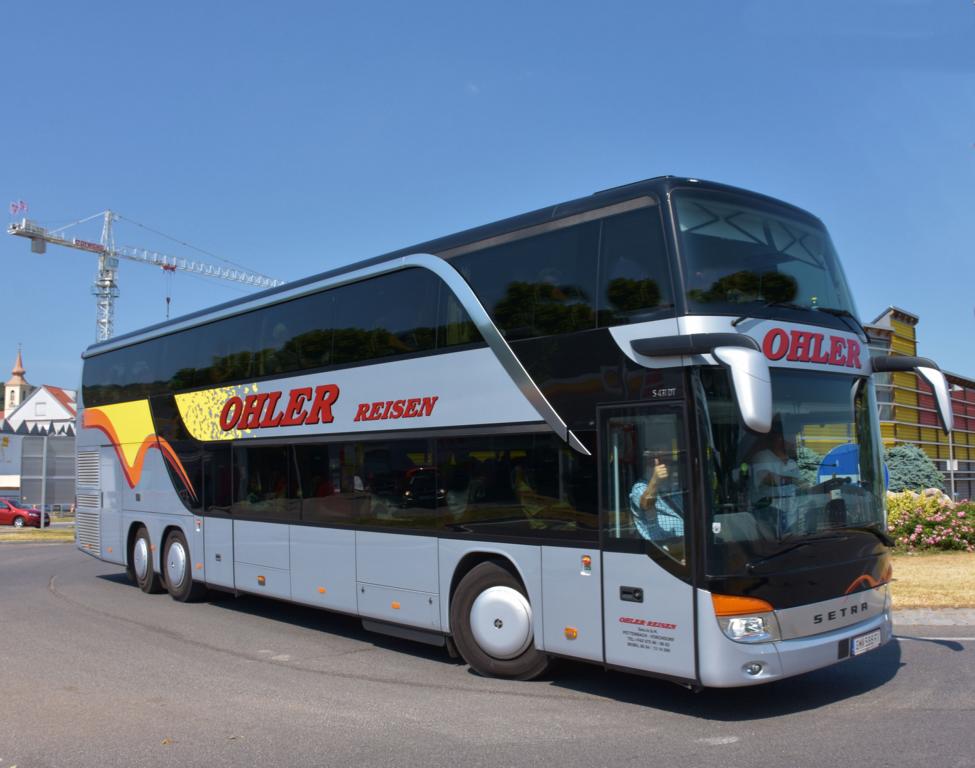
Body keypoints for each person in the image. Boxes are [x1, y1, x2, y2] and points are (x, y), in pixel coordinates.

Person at [629, 451, 685, 545]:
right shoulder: (640, 487)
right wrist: (655, 480)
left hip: (685, 543)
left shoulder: (675, 487)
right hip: (660, 548)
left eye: (669, 461)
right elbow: (645, 504)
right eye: (663, 461)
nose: (667, 466)